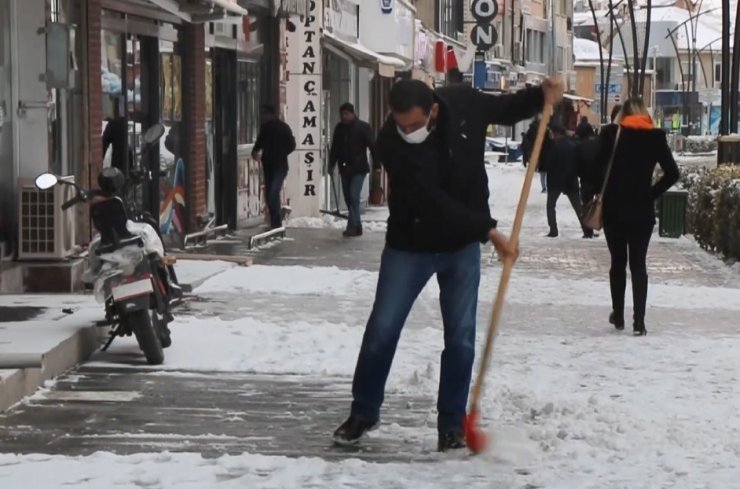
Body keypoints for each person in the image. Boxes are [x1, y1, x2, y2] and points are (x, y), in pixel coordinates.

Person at [332, 77, 564, 451]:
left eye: (414, 124)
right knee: (383, 328)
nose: (406, 131)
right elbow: (432, 201)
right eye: (399, 123)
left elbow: (505, 109)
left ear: (434, 111)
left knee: (460, 337)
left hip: (460, 248)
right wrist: (490, 232)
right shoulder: (390, 143)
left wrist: (541, 96)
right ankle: (363, 411)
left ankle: (452, 424)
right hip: (409, 246)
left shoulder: (465, 106)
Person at [590, 98, 679, 336]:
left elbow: (595, 167)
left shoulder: (611, 134)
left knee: (617, 262)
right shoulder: (655, 137)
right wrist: (651, 194)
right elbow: (673, 173)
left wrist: (600, 192)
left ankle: (618, 315)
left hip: (614, 210)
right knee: (638, 264)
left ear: (622, 115)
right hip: (642, 210)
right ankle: (639, 322)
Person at [328, 103, 376, 237]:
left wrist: (377, 164)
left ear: (352, 113)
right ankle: (358, 225)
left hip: (359, 168)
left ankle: (352, 225)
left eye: (346, 114)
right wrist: (331, 164)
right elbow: (335, 148)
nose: (344, 117)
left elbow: (373, 146)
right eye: (342, 114)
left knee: (354, 196)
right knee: (349, 198)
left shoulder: (362, 127)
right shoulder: (339, 128)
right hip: (344, 168)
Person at [542, 123, 593, 238]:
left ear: (556, 133)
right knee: (579, 208)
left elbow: (548, 164)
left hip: (555, 182)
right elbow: (578, 163)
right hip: (571, 181)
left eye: (553, 133)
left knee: (550, 206)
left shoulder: (554, 147)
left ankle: (553, 230)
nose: (552, 136)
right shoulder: (573, 145)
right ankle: (587, 231)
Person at [252, 105, 296, 229]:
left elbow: (292, 144)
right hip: (268, 165)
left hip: (280, 166)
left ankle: (276, 220)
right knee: (271, 192)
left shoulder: (283, 127)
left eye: (265, 114)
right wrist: (255, 152)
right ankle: (275, 221)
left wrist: (281, 152)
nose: (263, 117)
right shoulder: (265, 128)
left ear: (271, 114)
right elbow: (259, 142)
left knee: (273, 192)